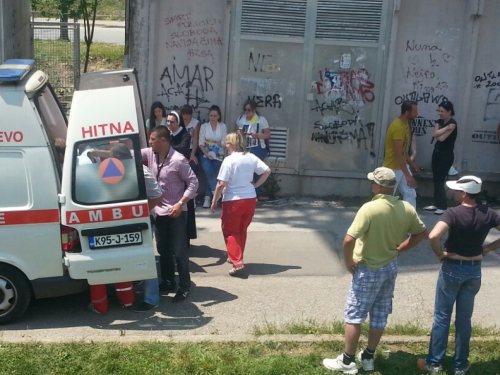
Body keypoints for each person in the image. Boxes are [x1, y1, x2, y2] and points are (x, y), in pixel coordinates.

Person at [323, 167, 427, 374]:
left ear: (379, 186)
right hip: (389, 266)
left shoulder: (369, 209)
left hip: (368, 267)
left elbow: (348, 240)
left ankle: (348, 360)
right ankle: (369, 357)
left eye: (373, 182)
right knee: (379, 315)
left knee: (355, 315)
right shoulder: (406, 208)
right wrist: (401, 248)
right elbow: (421, 233)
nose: (371, 184)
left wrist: (348, 262)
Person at [417, 176, 500, 375]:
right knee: (464, 320)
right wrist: (488, 248)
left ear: (464, 193)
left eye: (456, 191)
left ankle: (434, 363)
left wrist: (440, 254)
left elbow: (434, 235)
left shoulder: (452, 213)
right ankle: (460, 365)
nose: (453, 193)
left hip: (452, 267)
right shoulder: (489, 213)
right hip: (474, 269)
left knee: (442, 317)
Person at [89, 143, 163, 314]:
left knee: (145, 259)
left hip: (141, 222)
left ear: (120, 159)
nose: (109, 161)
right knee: (126, 257)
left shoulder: (141, 171)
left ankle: (151, 300)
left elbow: (157, 196)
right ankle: (129, 296)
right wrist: (94, 152)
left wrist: (138, 213)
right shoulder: (119, 169)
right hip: (122, 222)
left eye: (112, 159)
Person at [142, 126, 198, 303]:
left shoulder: (178, 160)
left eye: (152, 139)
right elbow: (130, 153)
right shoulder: (150, 154)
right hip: (158, 212)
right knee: (163, 249)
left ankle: (184, 287)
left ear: (163, 141)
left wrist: (181, 203)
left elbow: (193, 183)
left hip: (176, 213)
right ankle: (168, 281)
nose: (149, 142)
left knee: (179, 251)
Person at [211, 132, 271, 276]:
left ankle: (237, 263)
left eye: (227, 142)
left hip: (233, 200)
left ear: (232, 144)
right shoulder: (250, 157)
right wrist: (255, 185)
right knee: (241, 229)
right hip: (250, 199)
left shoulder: (229, 160)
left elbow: (221, 184)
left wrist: (214, 201)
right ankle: (236, 256)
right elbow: (267, 171)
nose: (226, 145)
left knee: (230, 231)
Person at [167, 110, 197, 248]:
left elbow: (183, 149)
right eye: (167, 121)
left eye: (172, 122)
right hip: (171, 177)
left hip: (183, 175)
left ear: (178, 122)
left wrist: (166, 148)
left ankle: (185, 241)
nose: (169, 124)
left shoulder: (185, 135)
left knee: (185, 206)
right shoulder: (168, 135)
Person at [382, 100, 420, 208]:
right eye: (415, 112)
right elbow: (398, 155)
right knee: (387, 198)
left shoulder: (406, 125)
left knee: (410, 193)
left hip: (402, 167)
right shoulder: (398, 127)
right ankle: (383, 219)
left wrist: (411, 164)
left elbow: (404, 151)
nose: (417, 114)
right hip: (392, 168)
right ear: (407, 113)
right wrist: (408, 175)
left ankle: (409, 218)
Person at [424, 101, 458, 215]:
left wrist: (444, 130)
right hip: (437, 153)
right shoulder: (442, 122)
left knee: (440, 180)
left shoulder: (453, 123)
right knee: (435, 179)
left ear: (449, 112)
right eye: (439, 111)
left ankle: (443, 206)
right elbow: (435, 134)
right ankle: (436, 203)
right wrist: (447, 127)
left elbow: (441, 138)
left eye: (442, 111)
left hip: (446, 155)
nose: (440, 113)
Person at [235, 100, 271, 198]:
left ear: (254, 110)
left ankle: (256, 192)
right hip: (244, 147)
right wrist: (240, 133)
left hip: (258, 147)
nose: (247, 112)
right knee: (246, 170)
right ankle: (247, 192)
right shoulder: (241, 119)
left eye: (249, 110)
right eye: (245, 110)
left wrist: (258, 135)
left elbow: (267, 134)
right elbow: (236, 133)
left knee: (257, 170)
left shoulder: (261, 119)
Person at [199, 105, 227, 208]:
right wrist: (206, 154)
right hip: (205, 153)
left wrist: (216, 143)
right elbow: (201, 143)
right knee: (207, 169)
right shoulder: (204, 126)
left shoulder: (223, 126)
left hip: (218, 154)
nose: (213, 117)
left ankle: (207, 198)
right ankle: (219, 194)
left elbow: (225, 142)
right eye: (211, 115)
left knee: (210, 174)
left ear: (219, 116)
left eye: (215, 115)